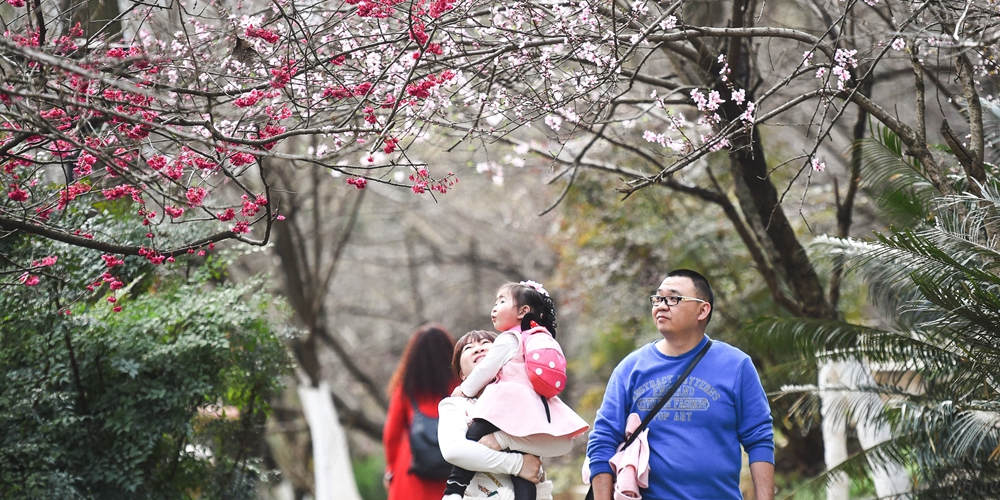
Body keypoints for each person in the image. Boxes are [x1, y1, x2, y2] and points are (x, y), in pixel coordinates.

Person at [585, 269, 775, 500]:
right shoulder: (630, 369)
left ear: (703, 310)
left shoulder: (736, 366)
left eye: (673, 298)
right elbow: (603, 440)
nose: (661, 306)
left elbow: (759, 438)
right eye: (658, 298)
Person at [443, 281, 589, 500]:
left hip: (505, 402)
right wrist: (516, 458)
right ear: (461, 371)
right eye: (469, 348)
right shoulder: (537, 336)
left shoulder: (509, 339)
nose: (494, 307)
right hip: (527, 406)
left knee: (474, 434)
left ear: (523, 311)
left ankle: (454, 489)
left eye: (501, 301)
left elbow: (485, 370)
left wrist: (465, 389)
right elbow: (454, 451)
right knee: (526, 461)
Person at [439, 330, 574, 499]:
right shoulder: (456, 405)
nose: (478, 349)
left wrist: (503, 439)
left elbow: (563, 444)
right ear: (462, 375)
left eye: (486, 344)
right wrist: (518, 465)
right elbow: (454, 451)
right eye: (468, 348)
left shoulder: (526, 402)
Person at [383, 324, 459, 500]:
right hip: (452, 474)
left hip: (411, 474)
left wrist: (391, 469)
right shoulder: (460, 387)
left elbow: (391, 435)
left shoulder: (405, 390)